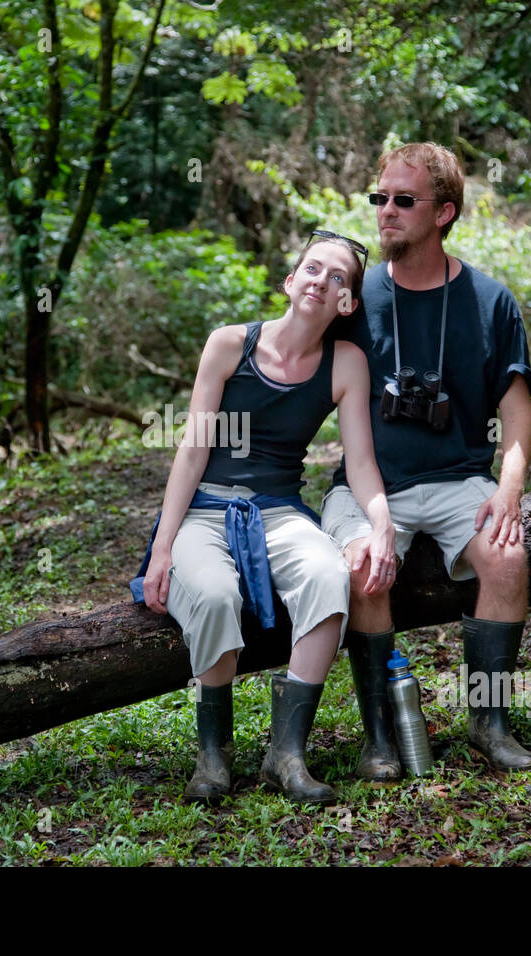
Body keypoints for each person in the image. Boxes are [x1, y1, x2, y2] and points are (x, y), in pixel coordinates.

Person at [132, 233, 396, 805]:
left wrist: (380, 525)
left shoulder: (345, 363)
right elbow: (193, 449)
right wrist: (163, 546)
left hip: (278, 510)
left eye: (337, 279)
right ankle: (214, 756)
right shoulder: (229, 345)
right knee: (214, 593)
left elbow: (362, 462)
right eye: (312, 268)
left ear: (346, 303)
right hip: (205, 509)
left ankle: (286, 753)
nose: (320, 282)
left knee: (329, 577)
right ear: (289, 280)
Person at [322, 142, 531, 777]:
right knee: (364, 564)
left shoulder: (489, 301)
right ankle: (381, 737)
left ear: (443, 212)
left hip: (457, 478)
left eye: (403, 200)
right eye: (379, 198)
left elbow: (518, 409)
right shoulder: (353, 297)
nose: (385, 211)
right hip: (369, 483)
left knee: (507, 557)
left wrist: (508, 489)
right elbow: (290, 364)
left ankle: (489, 721)